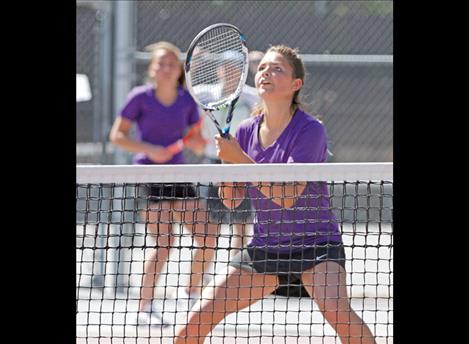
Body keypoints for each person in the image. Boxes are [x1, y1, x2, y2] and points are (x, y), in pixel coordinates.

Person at [174, 45, 377, 344]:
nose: (267, 72)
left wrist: (240, 159)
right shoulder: (244, 130)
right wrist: (228, 165)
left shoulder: (310, 130)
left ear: (296, 84)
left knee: (336, 310)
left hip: (316, 245)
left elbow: (288, 196)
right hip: (267, 247)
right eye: (264, 67)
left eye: (278, 68)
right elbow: (232, 201)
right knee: (194, 322)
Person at [109, 41, 218, 326]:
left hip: (178, 175)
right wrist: (149, 149)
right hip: (148, 175)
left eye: (172, 63)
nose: (167, 68)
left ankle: (190, 294)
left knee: (208, 236)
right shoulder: (139, 97)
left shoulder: (186, 100)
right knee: (165, 243)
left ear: (179, 70)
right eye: (161, 63)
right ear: (152, 68)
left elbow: (195, 140)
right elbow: (117, 136)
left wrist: (196, 143)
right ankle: (144, 308)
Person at [199, 50, 264, 260]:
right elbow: (179, 89)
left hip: (240, 164)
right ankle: (198, 282)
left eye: (234, 67)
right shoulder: (205, 93)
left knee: (241, 226)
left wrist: (259, 67)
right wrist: (197, 61)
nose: (229, 71)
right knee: (209, 228)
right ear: (218, 70)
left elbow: (275, 99)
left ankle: (233, 273)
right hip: (213, 163)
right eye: (225, 66)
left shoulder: (253, 96)